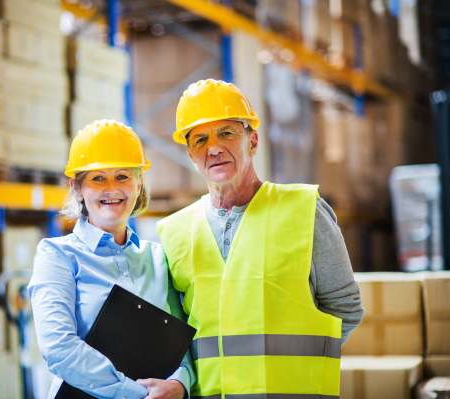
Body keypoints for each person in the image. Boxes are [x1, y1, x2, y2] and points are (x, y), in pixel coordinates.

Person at [156, 79, 364, 398]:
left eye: (227, 133)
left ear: (252, 141)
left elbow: (346, 308)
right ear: (190, 154)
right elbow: (174, 332)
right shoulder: (174, 231)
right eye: (200, 139)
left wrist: (304, 370)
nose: (213, 148)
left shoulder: (304, 211)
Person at [28, 120, 195, 399]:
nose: (111, 189)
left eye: (122, 176)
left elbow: (179, 344)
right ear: (77, 187)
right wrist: (136, 394)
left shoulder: (158, 259)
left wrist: (179, 385)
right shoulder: (57, 256)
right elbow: (58, 347)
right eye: (97, 178)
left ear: (139, 183)